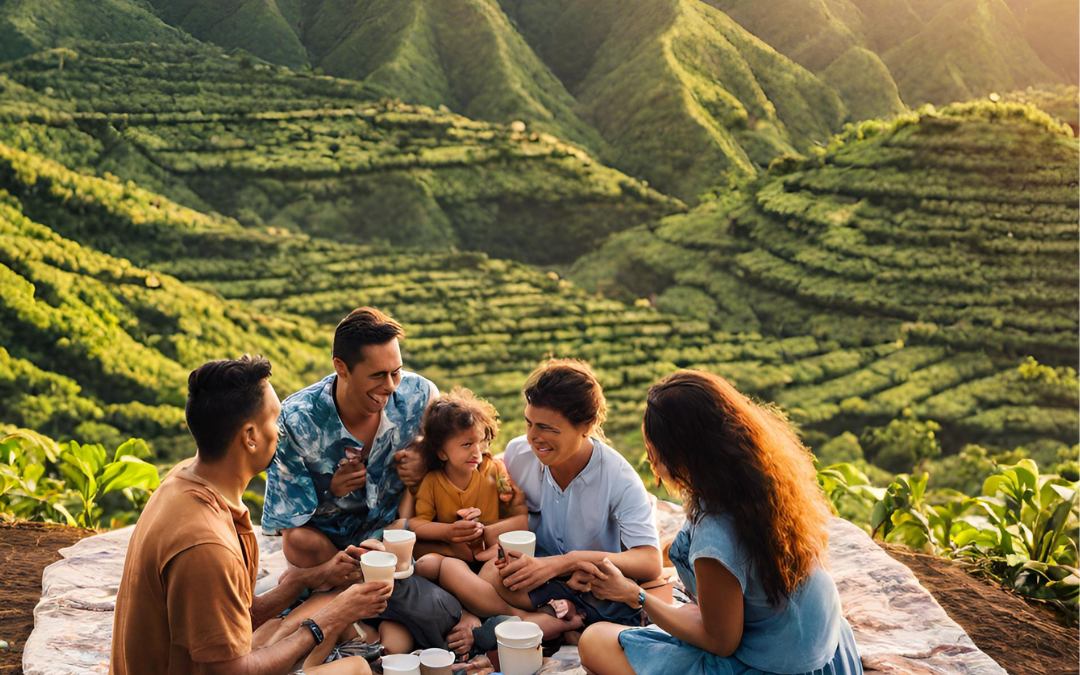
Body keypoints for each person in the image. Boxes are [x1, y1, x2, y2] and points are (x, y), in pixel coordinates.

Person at [111, 355, 393, 675]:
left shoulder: (182, 482)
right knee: (355, 668)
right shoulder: (206, 545)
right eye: (275, 421)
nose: (281, 433)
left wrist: (311, 578)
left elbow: (234, 616)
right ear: (250, 437)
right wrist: (330, 619)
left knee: (294, 620)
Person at [577, 371, 863, 675]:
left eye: (654, 453)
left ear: (682, 457)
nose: (652, 464)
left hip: (772, 665)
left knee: (594, 641)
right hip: (822, 647)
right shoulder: (763, 480)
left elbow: (721, 641)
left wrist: (634, 595)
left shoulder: (714, 538)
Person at [260, 307, 476, 655]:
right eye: (378, 375)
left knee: (441, 545)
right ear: (341, 368)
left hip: (399, 536)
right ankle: (354, 609)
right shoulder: (298, 419)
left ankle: (340, 616)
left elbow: (465, 452)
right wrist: (332, 489)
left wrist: (426, 451)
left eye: (396, 372)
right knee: (299, 542)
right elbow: (288, 519)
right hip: (330, 550)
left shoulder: (421, 396)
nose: (390, 386)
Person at [435, 359, 662, 634]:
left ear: (586, 426)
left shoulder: (618, 477)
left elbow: (650, 561)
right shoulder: (519, 454)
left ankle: (532, 622)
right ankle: (530, 619)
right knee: (488, 573)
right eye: (529, 423)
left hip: (588, 583)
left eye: (549, 429)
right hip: (533, 576)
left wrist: (567, 562)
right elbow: (484, 482)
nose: (534, 437)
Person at [409, 387, 525, 569]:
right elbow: (416, 523)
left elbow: (518, 514)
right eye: (467, 444)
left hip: (491, 546)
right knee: (426, 564)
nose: (476, 453)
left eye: (479, 443)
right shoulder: (432, 482)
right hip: (453, 553)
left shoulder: (493, 471)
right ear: (441, 453)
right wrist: (448, 532)